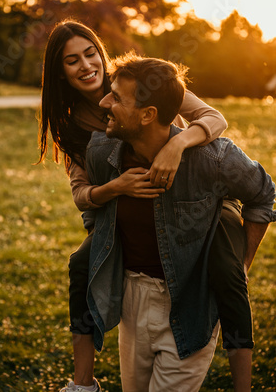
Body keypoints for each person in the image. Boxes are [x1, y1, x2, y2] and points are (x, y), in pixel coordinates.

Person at [38, 20, 246, 391]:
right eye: (72, 61)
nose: (87, 66)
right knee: (81, 265)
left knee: (226, 272)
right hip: (133, 208)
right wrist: (115, 188)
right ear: (60, 73)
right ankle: (83, 383)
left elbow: (215, 118)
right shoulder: (72, 125)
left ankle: (241, 376)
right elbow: (82, 195)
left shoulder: (139, 79)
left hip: (192, 196)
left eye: (90, 54)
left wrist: (176, 146)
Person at [84, 54, 276, 392]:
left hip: (191, 303)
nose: (104, 102)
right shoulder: (102, 151)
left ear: (148, 114)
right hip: (132, 301)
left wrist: (242, 262)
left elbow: (263, 194)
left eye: (116, 97)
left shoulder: (213, 159)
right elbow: (94, 209)